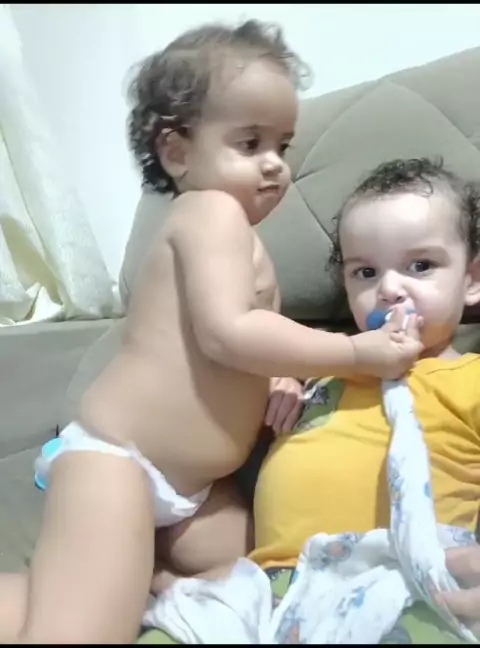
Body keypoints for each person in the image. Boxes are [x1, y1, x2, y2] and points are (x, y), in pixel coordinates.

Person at [0, 22, 422, 644]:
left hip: (196, 491)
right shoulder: (209, 212)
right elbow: (227, 332)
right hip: (120, 462)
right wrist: (355, 351)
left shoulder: (240, 239)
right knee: (78, 633)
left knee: (253, 575)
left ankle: (128, 580)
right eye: (250, 143)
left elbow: (225, 351)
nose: (275, 163)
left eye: (283, 144)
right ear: (177, 152)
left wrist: (277, 377)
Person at [249, 157, 480, 643]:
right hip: (273, 586)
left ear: (472, 280)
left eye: (421, 266)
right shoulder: (324, 367)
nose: (389, 289)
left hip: (406, 585)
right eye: (366, 272)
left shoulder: (470, 378)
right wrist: (275, 382)